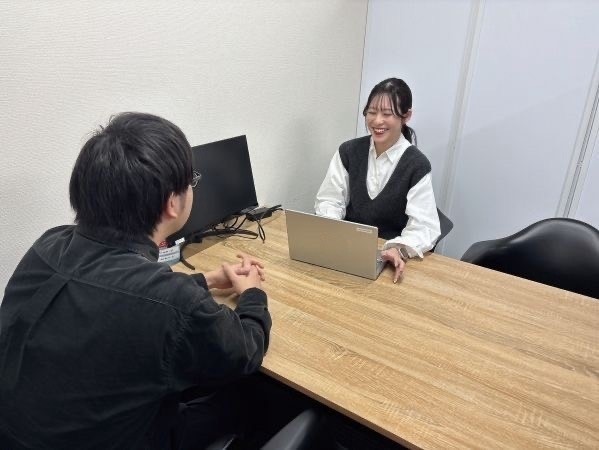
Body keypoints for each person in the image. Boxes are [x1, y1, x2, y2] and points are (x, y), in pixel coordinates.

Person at [0, 112, 271, 449]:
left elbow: (122, 294)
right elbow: (244, 352)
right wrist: (253, 294)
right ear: (171, 203)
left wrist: (206, 280)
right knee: (254, 395)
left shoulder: (49, 245)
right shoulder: (172, 302)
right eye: (191, 181)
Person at [315, 78, 441, 282]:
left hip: (390, 261)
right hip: (347, 253)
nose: (377, 121)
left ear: (406, 116)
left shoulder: (416, 165)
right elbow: (329, 199)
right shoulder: (348, 151)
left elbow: (425, 227)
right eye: (371, 112)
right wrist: (335, 230)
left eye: (387, 114)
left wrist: (397, 248)